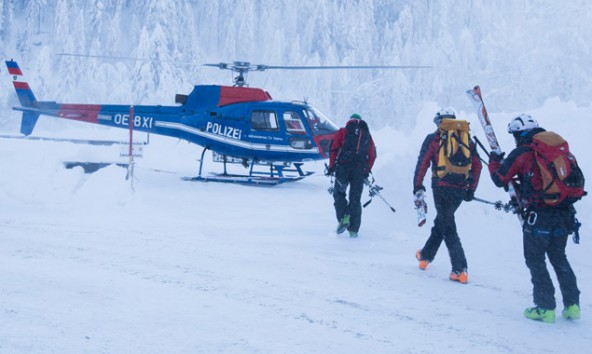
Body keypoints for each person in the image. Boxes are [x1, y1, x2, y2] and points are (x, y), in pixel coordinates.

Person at [488, 113, 580, 323]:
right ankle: (572, 305)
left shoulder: (522, 152)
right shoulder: (556, 149)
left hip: (539, 217)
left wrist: (494, 161)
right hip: (564, 214)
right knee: (559, 257)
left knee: (536, 260)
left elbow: (499, 178)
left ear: (519, 134)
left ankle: (545, 308)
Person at [413, 107, 482, 283]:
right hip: (459, 189)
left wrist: (417, 185)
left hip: (441, 187)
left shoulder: (434, 138)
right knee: (443, 221)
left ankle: (460, 269)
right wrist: (471, 189)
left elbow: (423, 163)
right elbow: (477, 166)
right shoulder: (466, 139)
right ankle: (425, 255)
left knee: (448, 226)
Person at [327, 113, 377, 238]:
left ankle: (344, 216)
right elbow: (372, 155)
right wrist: (366, 170)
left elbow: (333, 149)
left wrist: (332, 166)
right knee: (355, 199)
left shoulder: (343, 132)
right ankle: (354, 230)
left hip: (343, 168)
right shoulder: (367, 135)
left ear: (350, 121)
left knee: (339, 193)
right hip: (359, 171)